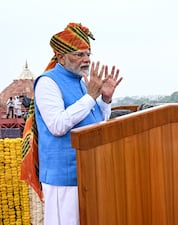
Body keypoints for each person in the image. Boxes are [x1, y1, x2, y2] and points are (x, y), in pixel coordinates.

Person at [34, 22, 123, 225]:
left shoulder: (82, 83)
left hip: (89, 170)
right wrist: (91, 96)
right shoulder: (48, 82)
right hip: (63, 176)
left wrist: (105, 99)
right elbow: (57, 125)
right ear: (60, 57)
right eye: (79, 54)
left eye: (88, 54)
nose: (86, 60)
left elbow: (95, 125)